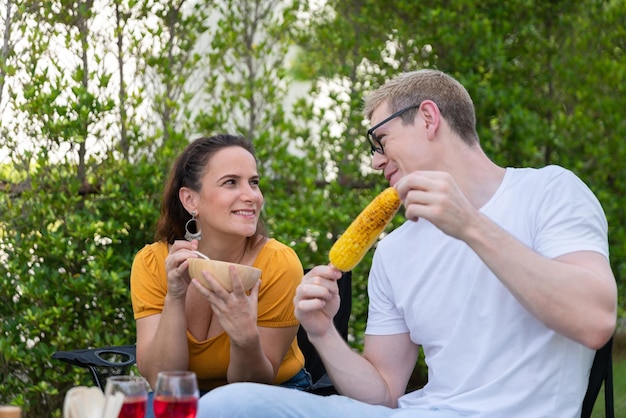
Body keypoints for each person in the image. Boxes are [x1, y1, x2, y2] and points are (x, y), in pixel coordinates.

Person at [196, 70, 618, 417]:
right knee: (230, 405)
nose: (376, 159)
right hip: (419, 413)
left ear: (429, 118)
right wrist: (322, 332)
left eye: (380, 141)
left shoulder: (548, 191)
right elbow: (382, 394)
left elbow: (594, 320)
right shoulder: (394, 251)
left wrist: (470, 225)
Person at [130, 134, 311, 416]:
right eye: (231, 182)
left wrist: (245, 338)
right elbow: (161, 380)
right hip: (183, 396)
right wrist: (175, 295)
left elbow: (251, 388)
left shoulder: (278, 263)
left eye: (254, 182)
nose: (252, 196)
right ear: (190, 199)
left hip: (272, 394)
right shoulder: (152, 264)